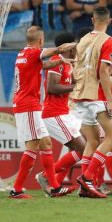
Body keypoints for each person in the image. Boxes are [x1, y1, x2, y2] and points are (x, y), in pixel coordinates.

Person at [72, 7, 112, 198]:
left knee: (92, 142)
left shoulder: (83, 40)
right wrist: (110, 101)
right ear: (109, 20)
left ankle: (84, 187)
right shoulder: (108, 41)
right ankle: (88, 179)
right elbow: (103, 72)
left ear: (93, 20)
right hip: (96, 96)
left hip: (80, 96)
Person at [9, 26, 77, 199]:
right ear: (40, 40)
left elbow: (43, 64)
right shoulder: (34, 52)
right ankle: (16, 189)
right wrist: (67, 47)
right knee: (32, 148)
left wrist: (61, 61)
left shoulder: (22, 55)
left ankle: (54, 187)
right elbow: (55, 51)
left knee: (46, 143)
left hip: (28, 105)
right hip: (28, 105)